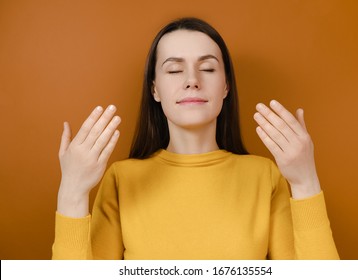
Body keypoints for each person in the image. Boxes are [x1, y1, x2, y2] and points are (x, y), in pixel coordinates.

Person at [52, 17, 339, 260]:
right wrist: (72, 194)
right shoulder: (121, 180)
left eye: (208, 68)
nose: (192, 79)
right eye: (175, 69)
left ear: (225, 86)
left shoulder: (265, 177)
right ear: (155, 90)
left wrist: (305, 181)